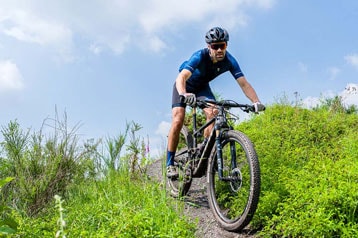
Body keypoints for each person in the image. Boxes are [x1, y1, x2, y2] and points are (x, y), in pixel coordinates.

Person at [166, 26, 265, 178]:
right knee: (178, 119)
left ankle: (204, 149)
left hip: (202, 87)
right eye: (215, 46)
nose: (219, 50)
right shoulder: (199, 56)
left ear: (226, 45)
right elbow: (181, 77)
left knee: (214, 112)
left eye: (222, 45)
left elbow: (244, 84)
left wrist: (256, 101)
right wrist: (184, 94)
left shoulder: (229, 60)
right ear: (209, 47)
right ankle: (170, 164)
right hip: (184, 86)